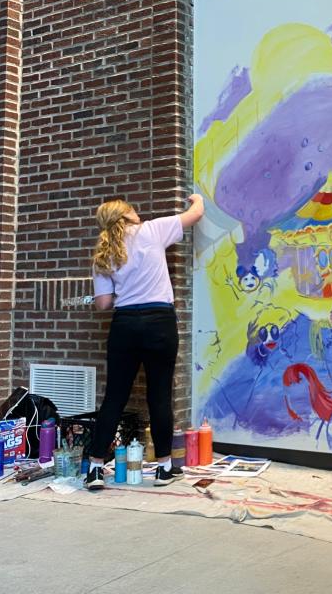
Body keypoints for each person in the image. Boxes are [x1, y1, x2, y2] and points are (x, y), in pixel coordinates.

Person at [84, 194, 205, 490]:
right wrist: (198, 198)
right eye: (132, 209)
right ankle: (165, 468)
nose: (137, 212)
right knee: (159, 395)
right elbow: (196, 214)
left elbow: (102, 304)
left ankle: (95, 469)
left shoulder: (103, 252)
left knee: (114, 397)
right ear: (125, 216)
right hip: (159, 322)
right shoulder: (152, 230)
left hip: (125, 324)